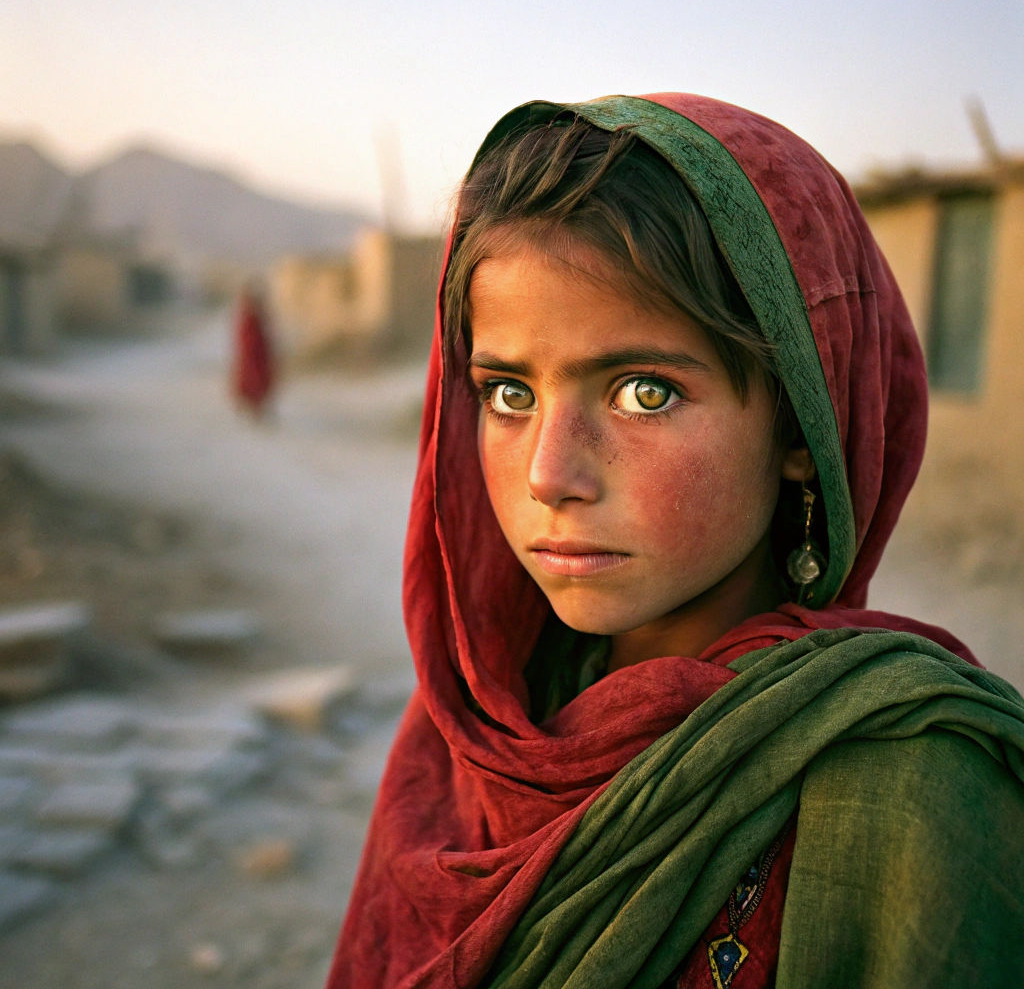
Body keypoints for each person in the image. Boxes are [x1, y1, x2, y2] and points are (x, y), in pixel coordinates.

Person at [325, 94, 1024, 988]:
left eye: (642, 392)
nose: (548, 474)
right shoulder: (469, 735)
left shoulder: (912, 789)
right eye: (508, 393)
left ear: (805, 433)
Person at [230, 284, 275, 418]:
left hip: (258, 352)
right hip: (250, 351)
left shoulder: (258, 313)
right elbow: (243, 335)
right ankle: (250, 407)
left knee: (258, 379)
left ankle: (256, 408)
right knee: (250, 378)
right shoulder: (247, 314)